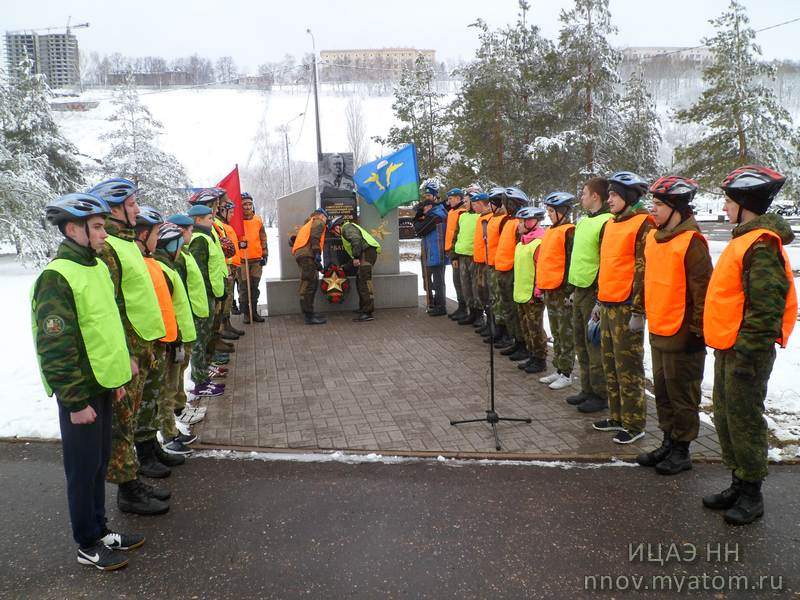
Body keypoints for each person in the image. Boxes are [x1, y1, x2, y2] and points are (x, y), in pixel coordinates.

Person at [32, 193, 141, 571]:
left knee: (97, 464)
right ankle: (86, 542)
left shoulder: (95, 267)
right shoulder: (56, 276)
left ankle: (100, 529)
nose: (103, 234)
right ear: (72, 229)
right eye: (96, 227)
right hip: (80, 391)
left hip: (102, 385)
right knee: (82, 470)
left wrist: (118, 377)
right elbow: (55, 346)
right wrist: (75, 402)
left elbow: (105, 328)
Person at [702, 166, 797, 526]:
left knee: (744, 420)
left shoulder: (762, 245)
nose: (724, 208)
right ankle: (738, 481)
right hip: (730, 346)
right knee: (726, 416)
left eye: (728, 201)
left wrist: (749, 354)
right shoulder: (744, 239)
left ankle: (752, 492)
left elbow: (766, 306)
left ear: (745, 203)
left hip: (747, 351)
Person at [89, 178, 169, 516]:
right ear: (115, 209)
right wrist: (127, 354)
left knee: (132, 419)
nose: (137, 209)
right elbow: (109, 307)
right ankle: (127, 491)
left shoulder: (124, 243)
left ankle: (133, 476)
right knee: (122, 424)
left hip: (142, 346)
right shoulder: (108, 248)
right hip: (129, 353)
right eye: (132, 204)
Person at [637, 176, 712, 475]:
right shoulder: (655, 238)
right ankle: (669, 440)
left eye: (657, 205)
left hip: (684, 336)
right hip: (659, 329)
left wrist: (698, 333)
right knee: (663, 392)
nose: (652, 210)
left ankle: (682, 450)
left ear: (676, 208)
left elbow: (703, 292)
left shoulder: (692, 242)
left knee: (683, 395)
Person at [592, 171, 654, 444]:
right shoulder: (611, 224)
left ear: (629, 197)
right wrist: (598, 299)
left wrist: (639, 310)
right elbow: (607, 265)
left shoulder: (644, 224)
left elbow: (643, 270)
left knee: (628, 368)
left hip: (627, 308)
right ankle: (617, 416)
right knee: (611, 365)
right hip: (607, 304)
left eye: (614, 195)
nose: (609, 199)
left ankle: (635, 422)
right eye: (609, 195)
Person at [132, 206, 187, 480]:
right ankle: (144, 453)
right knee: (148, 400)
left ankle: (151, 445)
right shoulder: (139, 263)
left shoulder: (152, 263)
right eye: (154, 233)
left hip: (161, 339)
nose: (156, 239)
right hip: (148, 343)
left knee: (153, 398)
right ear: (144, 235)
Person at [567, 177, 614, 413]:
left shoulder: (607, 222)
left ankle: (599, 393)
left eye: (584, 193)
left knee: (594, 345)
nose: (582, 197)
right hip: (579, 288)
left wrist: (598, 296)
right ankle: (586, 388)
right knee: (581, 343)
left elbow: (606, 261)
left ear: (596, 196)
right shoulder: (584, 221)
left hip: (593, 291)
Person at [154, 222, 199, 454]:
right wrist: (175, 338)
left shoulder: (168, 266)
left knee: (173, 384)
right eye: (178, 245)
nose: (181, 249)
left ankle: (171, 428)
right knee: (167, 389)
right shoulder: (162, 269)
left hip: (179, 334)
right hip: (172, 338)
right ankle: (168, 434)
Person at [166, 213, 212, 428]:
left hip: (191, 317)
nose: (192, 233)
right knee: (176, 371)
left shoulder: (183, 253)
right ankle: (178, 408)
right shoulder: (176, 259)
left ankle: (180, 404)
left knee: (181, 368)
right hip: (185, 321)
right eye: (189, 230)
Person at [537, 192, 577, 390]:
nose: (549, 215)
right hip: (550, 289)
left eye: (552, 211)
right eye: (549, 211)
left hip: (562, 291)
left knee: (565, 331)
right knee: (556, 331)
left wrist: (570, 290)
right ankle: (559, 368)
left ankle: (567, 372)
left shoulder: (569, 231)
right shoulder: (552, 230)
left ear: (563, 212)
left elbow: (571, 262)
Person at [188, 204, 229, 395]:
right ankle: (200, 381)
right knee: (200, 339)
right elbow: (199, 272)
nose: (212, 221)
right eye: (208, 218)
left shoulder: (206, 236)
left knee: (207, 336)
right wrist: (208, 293)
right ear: (197, 220)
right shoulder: (198, 239)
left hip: (210, 293)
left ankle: (204, 370)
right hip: (203, 295)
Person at [494, 187, 530, 363]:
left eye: (505, 203)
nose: (503, 206)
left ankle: (523, 343)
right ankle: (516, 339)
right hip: (503, 270)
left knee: (515, 311)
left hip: (512, 272)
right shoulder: (508, 222)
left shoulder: (518, 224)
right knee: (508, 309)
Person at [512, 206, 549, 374]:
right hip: (520, 292)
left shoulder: (539, 243)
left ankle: (540, 359)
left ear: (531, 222)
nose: (518, 225)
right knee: (526, 327)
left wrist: (538, 291)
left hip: (533, 295)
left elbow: (541, 269)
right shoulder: (521, 242)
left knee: (535, 328)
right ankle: (532, 355)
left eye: (521, 222)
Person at [329, 216, 382, 321]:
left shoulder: (346, 228)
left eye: (333, 232)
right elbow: (354, 258)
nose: (335, 235)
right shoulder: (347, 228)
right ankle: (363, 308)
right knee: (360, 280)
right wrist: (344, 268)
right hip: (365, 253)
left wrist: (357, 257)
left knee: (364, 282)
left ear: (336, 228)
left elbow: (356, 240)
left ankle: (368, 312)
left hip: (367, 253)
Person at [291, 208, 329, 325]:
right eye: (326, 219)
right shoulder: (318, 221)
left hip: (302, 254)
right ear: (322, 216)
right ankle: (308, 315)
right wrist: (317, 254)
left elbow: (295, 239)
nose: (326, 222)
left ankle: (309, 312)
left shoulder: (308, 223)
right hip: (308, 254)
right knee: (309, 284)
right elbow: (314, 238)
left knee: (308, 281)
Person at [413, 192, 448, 316]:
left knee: (438, 281)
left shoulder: (435, 216)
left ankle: (441, 306)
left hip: (436, 252)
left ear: (429, 207)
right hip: (436, 251)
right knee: (438, 280)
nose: (424, 211)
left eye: (424, 208)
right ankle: (439, 304)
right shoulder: (439, 213)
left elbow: (420, 230)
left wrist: (416, 218)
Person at [481, 191, 509, 341]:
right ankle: (495, 327)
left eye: (491, 203)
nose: (489, 206)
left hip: (499, 265)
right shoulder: (493, 219)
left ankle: (503, 331)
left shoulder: (503, 220)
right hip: (491, 263)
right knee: (493, 299)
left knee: (500, 300)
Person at [216, 200, 246, 340]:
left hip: (232, 265)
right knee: (226, 298)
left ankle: (227, 324)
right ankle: (222, 327)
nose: (233, 215)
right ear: (222, 211)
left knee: (229, 296)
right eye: (231, 212)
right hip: (227, 266)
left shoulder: (225, 225)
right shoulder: (219, 225)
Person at [237, 192, 267, 324]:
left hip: (256, 260)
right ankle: (245, 313)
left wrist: (265, 255)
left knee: (255, 286)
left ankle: (254, 311)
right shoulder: (236, 222)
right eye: (245, 204)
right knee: (244, 287)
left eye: (250, 204)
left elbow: (263, 238)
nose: (248, 207)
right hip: (242, 260)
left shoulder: (258, 220)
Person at [451, 190, 481, 325]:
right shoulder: (462, 216)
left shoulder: (481, 217)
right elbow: (456, 236)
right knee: (465, 286)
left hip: (475, 257)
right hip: (462, 255)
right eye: (466, 201)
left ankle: (479, 315)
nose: (466, 204)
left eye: (468, 201)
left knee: (476, 287)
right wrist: (454, 256)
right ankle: (471, 312)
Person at [470, 191, 497, 330]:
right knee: (482, 292)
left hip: (488, 262)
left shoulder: (489, 219)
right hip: (479, 260)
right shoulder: (481, 218)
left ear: (481, 204)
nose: (473, 207)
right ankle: (488, 322)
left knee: (488, 293)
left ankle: (493, 324)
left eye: (474, 204)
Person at [444, 188, 468, 320]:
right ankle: (461, 306)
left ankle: (465, 308)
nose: (449, 201)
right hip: (452, 251)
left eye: (451, 199)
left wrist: (454, 254)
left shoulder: (462, 213)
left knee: (460, 282)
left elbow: (459, 235)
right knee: (456, 281)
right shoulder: (452, 212)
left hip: (458, 252)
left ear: (459, 198)